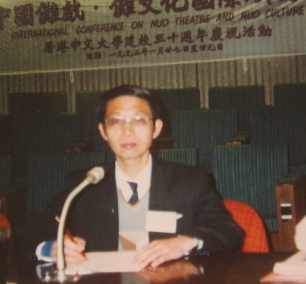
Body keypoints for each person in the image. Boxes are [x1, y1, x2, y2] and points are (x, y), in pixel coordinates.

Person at [19, 84, 243, 270]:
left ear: (156, 128)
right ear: (103, 131)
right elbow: (32, 231)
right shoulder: (84, 184)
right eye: (116, 121)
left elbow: (227, 230)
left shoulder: (190, 180)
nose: (127, 131)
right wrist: (51, 248)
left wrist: (185, 242)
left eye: (139, 120)